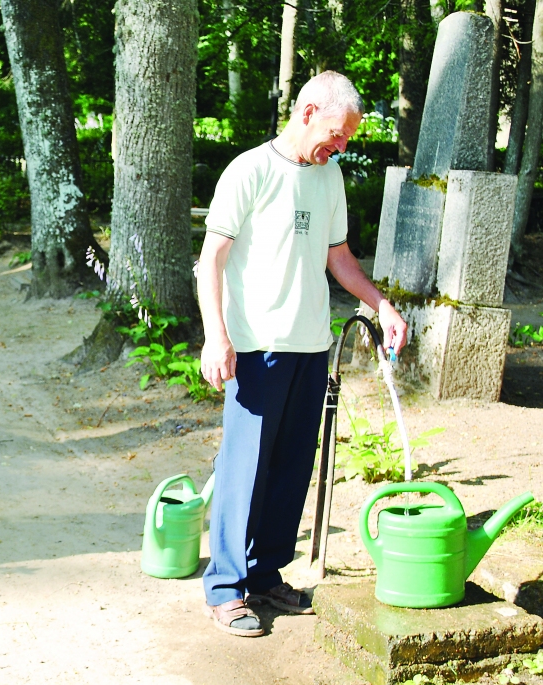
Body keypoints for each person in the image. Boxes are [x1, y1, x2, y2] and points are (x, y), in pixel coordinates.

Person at [196, 71, 408, 637]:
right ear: (308, 110)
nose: (341, 146)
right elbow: (211, 260)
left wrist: (381, 303)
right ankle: (225, 588)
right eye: (337, 134)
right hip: (257, 347)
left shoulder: (329, 176)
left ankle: (265, 575)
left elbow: (338, 256)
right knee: (245, 470)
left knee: (291, 468)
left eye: (347, 139)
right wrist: (216, 337)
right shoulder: (250, 171)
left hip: (310, 345)